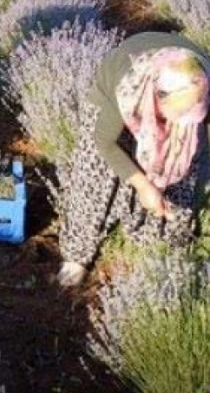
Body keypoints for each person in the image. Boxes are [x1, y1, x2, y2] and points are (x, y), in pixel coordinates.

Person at [57, 32, 210, 287]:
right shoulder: (128, 87)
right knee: (95, 175)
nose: (176, 126)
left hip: (182, 94)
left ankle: (160, 244)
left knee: (184, 171)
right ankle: (77, 255)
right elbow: (104, 143)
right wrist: (142, 184)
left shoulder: (202, 85)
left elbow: (200, 151)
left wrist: (182, 181)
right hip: (111, 99)